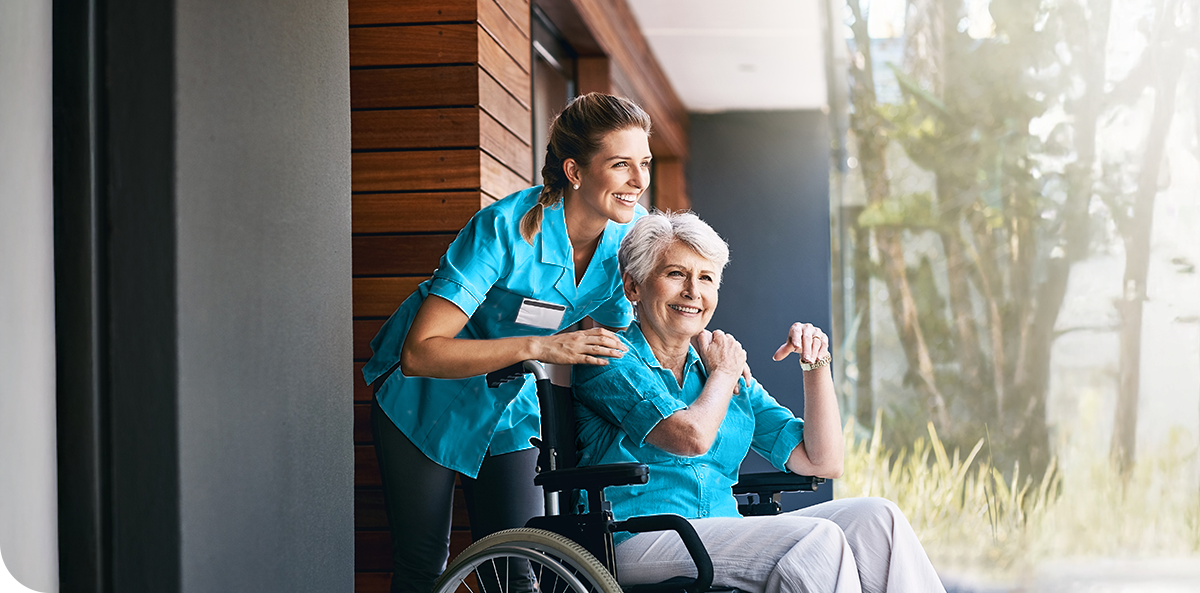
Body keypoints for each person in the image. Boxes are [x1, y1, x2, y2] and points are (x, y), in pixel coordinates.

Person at [362, 93, 653, 593]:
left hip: (511, 409)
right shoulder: (505, 229)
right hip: (427, 400)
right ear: (575, 171)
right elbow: (420, 352)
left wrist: (706, 370)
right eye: (621, 164)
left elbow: (626, 339)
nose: (639, 181)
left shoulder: (624, 246)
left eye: (644, 163)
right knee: (425, 567)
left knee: (521, 570)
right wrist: (540, 348)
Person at [573, 211, 946, 593]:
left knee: (877, 518)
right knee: (815, 540)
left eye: (706, 278)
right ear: (634, 287)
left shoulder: (721, 369)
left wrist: (815, 364)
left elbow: (823, 461)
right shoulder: (609, 358)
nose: (693, 292)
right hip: (635, 537)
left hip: (720, 531)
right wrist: (723, 374)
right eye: (675, 274)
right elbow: (691, 438)